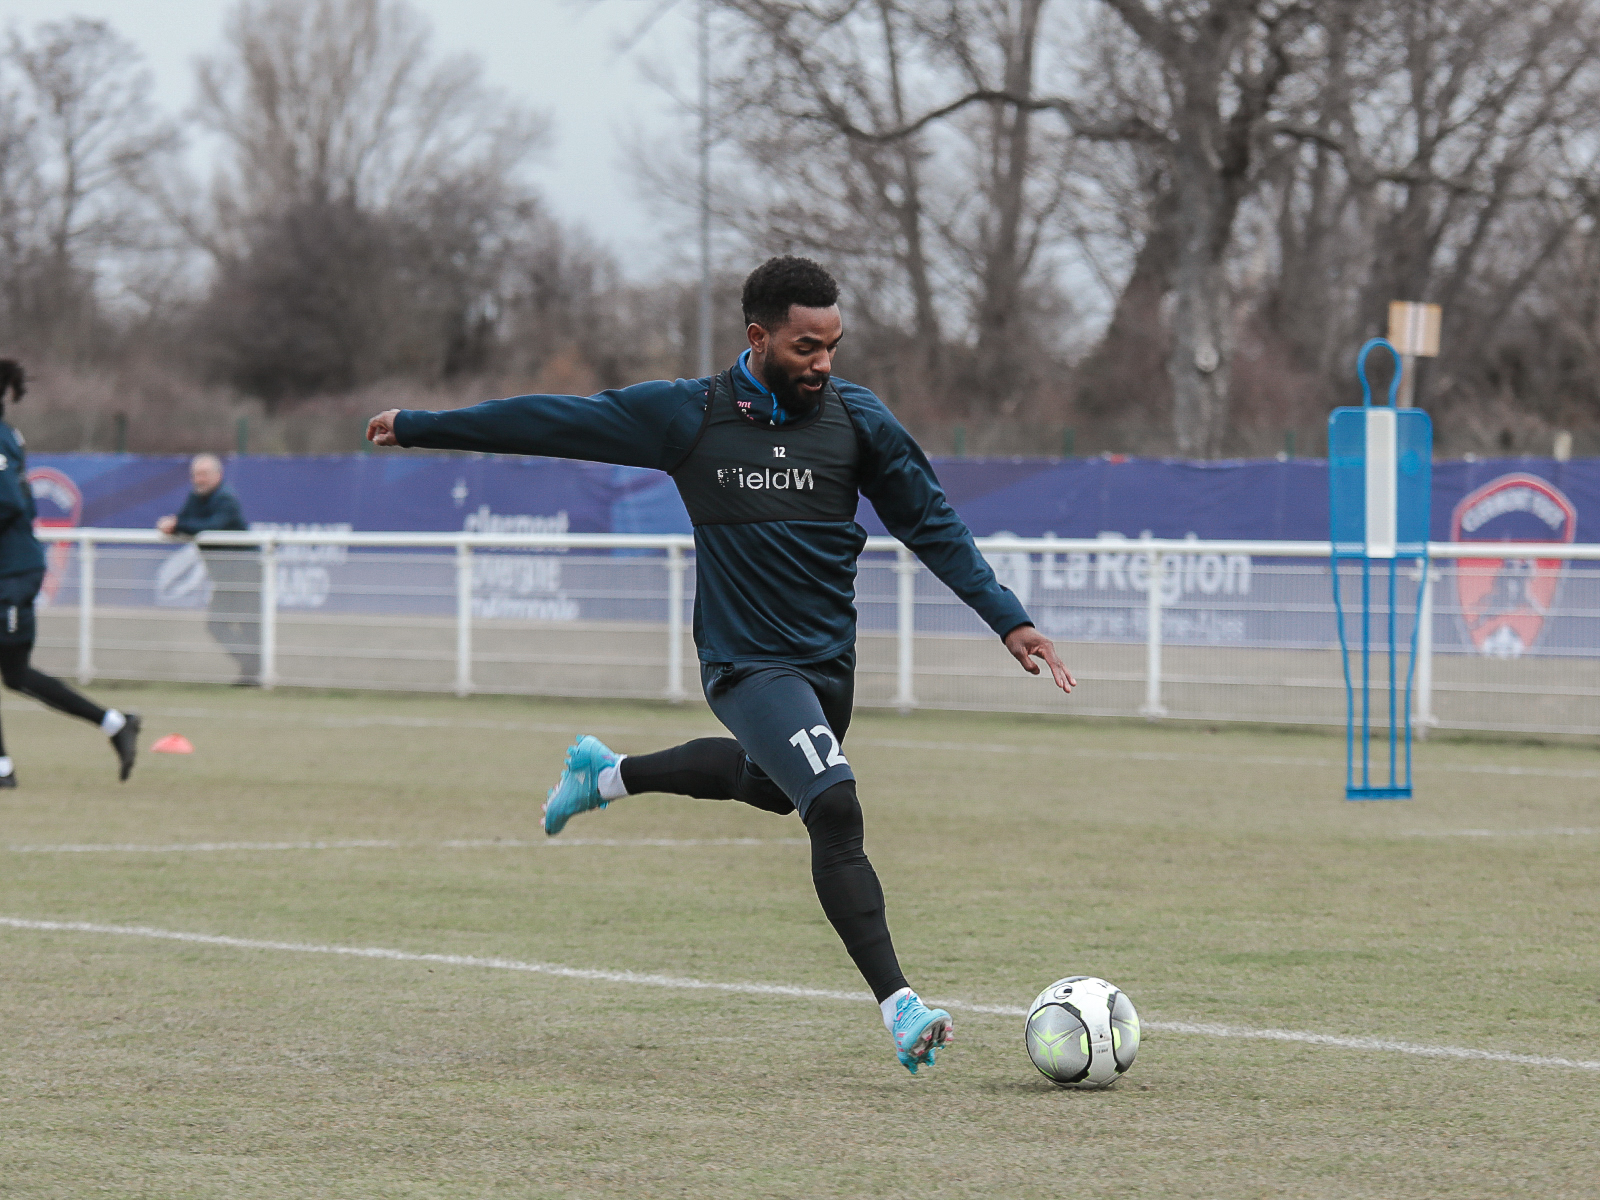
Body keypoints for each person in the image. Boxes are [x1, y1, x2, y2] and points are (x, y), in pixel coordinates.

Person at [365, 257, 1075, 1075]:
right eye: (807, 347)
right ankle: (901, 1007)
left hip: (826, 668)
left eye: (834, 346)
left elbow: (933, 523)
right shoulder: (690, 415)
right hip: (745, 664)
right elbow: (555, 422)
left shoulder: (857, 420)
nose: (823, 363)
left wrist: (1009, 620)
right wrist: (422, 423)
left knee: (772, 786)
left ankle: (604, 776)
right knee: (834, 807)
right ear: (758, 336)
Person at [0, 359, 141, 787]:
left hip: (11, 573)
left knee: (14, 673)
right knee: (17, 675)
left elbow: (9, 503)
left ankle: (2, 769)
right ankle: (115, 723)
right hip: (13, 569)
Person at [157, 454, 258, 685]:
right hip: (223, 574)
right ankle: (253, 666)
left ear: (218, 476)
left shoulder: (226, 499)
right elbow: (184, 519)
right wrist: (175, 524)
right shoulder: (196, 496)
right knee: (217, 624)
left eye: (203, 474)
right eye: (195, 475)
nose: (198, 479)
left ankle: (254, 671)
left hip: (245, 571)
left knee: (249, 624)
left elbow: (212, 527)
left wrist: (177, 526)